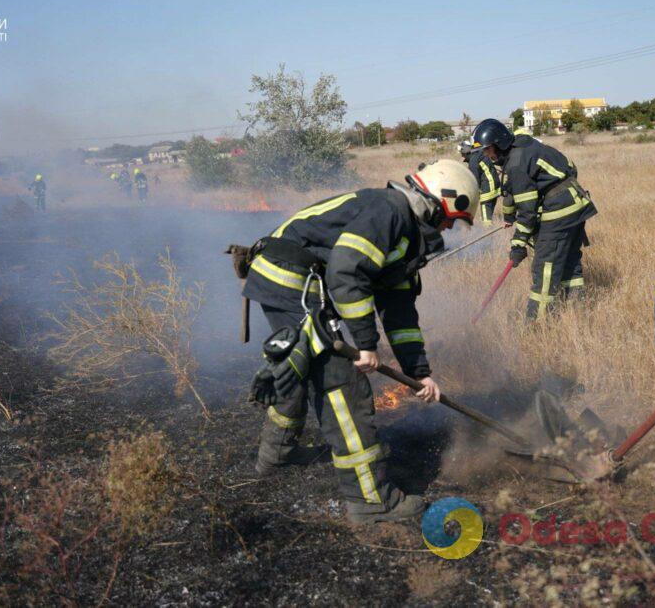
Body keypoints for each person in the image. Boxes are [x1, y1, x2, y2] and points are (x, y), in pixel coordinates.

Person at [238, 159, 479, 524]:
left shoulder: (405, 235)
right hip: (291, 279)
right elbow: (347, 269)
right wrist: (366, 344)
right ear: (439, 201)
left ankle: (277, 453)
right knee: (340, 383)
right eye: (451, 218)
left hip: (285, 277)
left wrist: (420, 372)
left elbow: (398, 312)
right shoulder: (390, 211)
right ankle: (370, 500)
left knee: (303, 364)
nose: (449, 228)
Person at [471, 118, 597, 318]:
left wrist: (518, 243)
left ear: (500, 143)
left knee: (544, 267)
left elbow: (528, 211)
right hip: (577, 205)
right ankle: (577, 309)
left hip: (560, 213)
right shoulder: (526, 145)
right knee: (570, 261)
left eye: (488, 149)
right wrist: (510, 216)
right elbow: (570, 168)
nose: (487, 155)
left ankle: (538, 323)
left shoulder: (517, 163)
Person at [464, 140, 502, 226]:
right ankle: (491, 226)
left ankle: (488, 233)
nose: (462, 156)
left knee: (486, 218)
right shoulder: (481, 154)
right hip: (495, 188)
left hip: (487, 190)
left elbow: (475, 179)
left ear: (466, 153)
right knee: (489, 213)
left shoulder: (473, 160)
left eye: (462, 154)